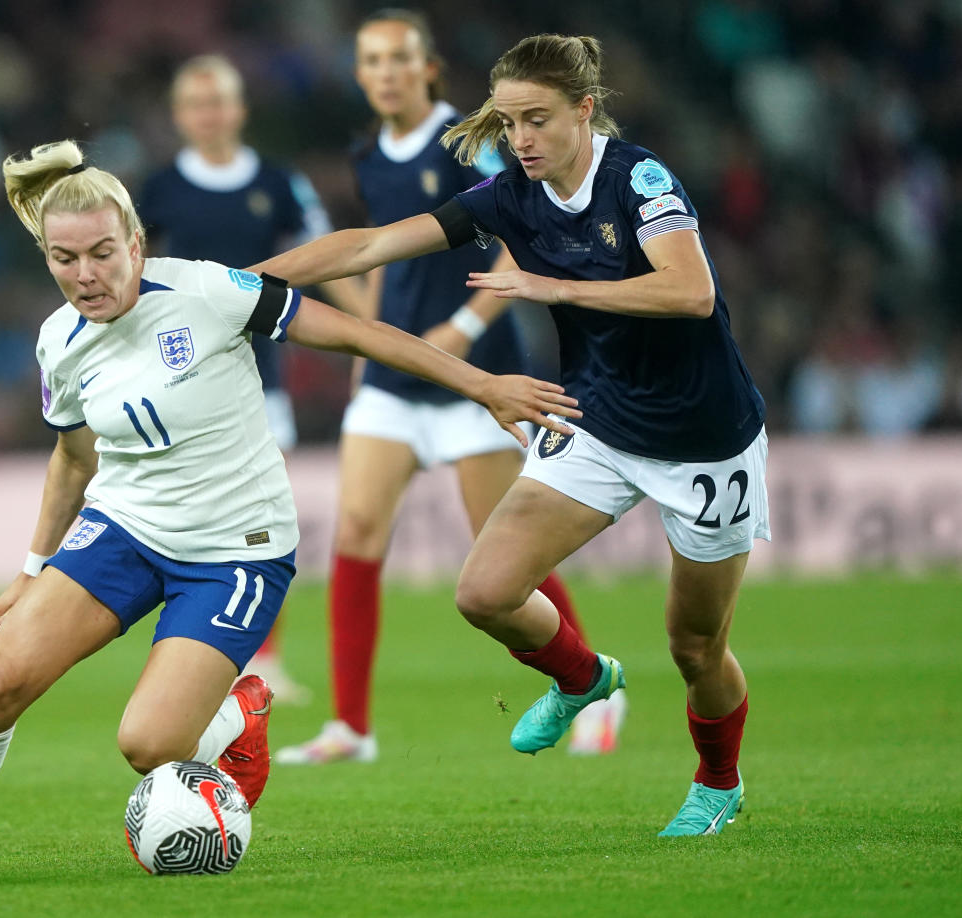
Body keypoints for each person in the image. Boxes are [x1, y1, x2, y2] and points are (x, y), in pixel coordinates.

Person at [0, 139, 579, 871]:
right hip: (123, 530)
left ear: (137, 242)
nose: (85, 276)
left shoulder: (209, 292)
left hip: (236, 550)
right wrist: (32, 565)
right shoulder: (59, 342)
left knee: (150, 745)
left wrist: (482, 384)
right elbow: (73, 458)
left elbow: (360, 334)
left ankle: (243, 709)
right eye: (64, 259)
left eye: (103, 253)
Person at [254, 33, 769, 835]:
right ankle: (582, 678)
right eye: (508, 123)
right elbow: (370, 243)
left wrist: (546, 284)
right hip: (596, 421)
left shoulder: (638, 178)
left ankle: (718, 781)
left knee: (695, 648)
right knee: (484, 592)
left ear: (584, 111)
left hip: (706, 437)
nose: (521, 140)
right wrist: (244, 282)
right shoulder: (507, 195)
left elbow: (692, 293)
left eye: (537, 120)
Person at [275, 9, 622, 766]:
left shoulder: (481, 142)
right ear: (361, 74)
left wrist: (464, 329)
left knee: (507, 557)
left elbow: (521, 242)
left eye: (400, 58)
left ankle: (594, 679)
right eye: (372, 60)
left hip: (477, 379)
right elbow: (376, 254)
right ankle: (351, 728)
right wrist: (370, 335)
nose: (387, 72)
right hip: (396, 381)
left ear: (429, 68)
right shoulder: (368, 151)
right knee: (357, 537)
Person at [137, 54, 363, 703]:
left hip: (260, 375)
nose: (210, 114)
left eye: (221, 101)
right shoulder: (156, 191)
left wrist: (369, 332)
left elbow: (328, 257)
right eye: (197, 104)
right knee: (180, 513)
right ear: (182, 116)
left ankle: (265, 659)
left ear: (239, 110)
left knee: (266, 517)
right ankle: (187, 656)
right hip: (175, 375)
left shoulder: (278, 181)